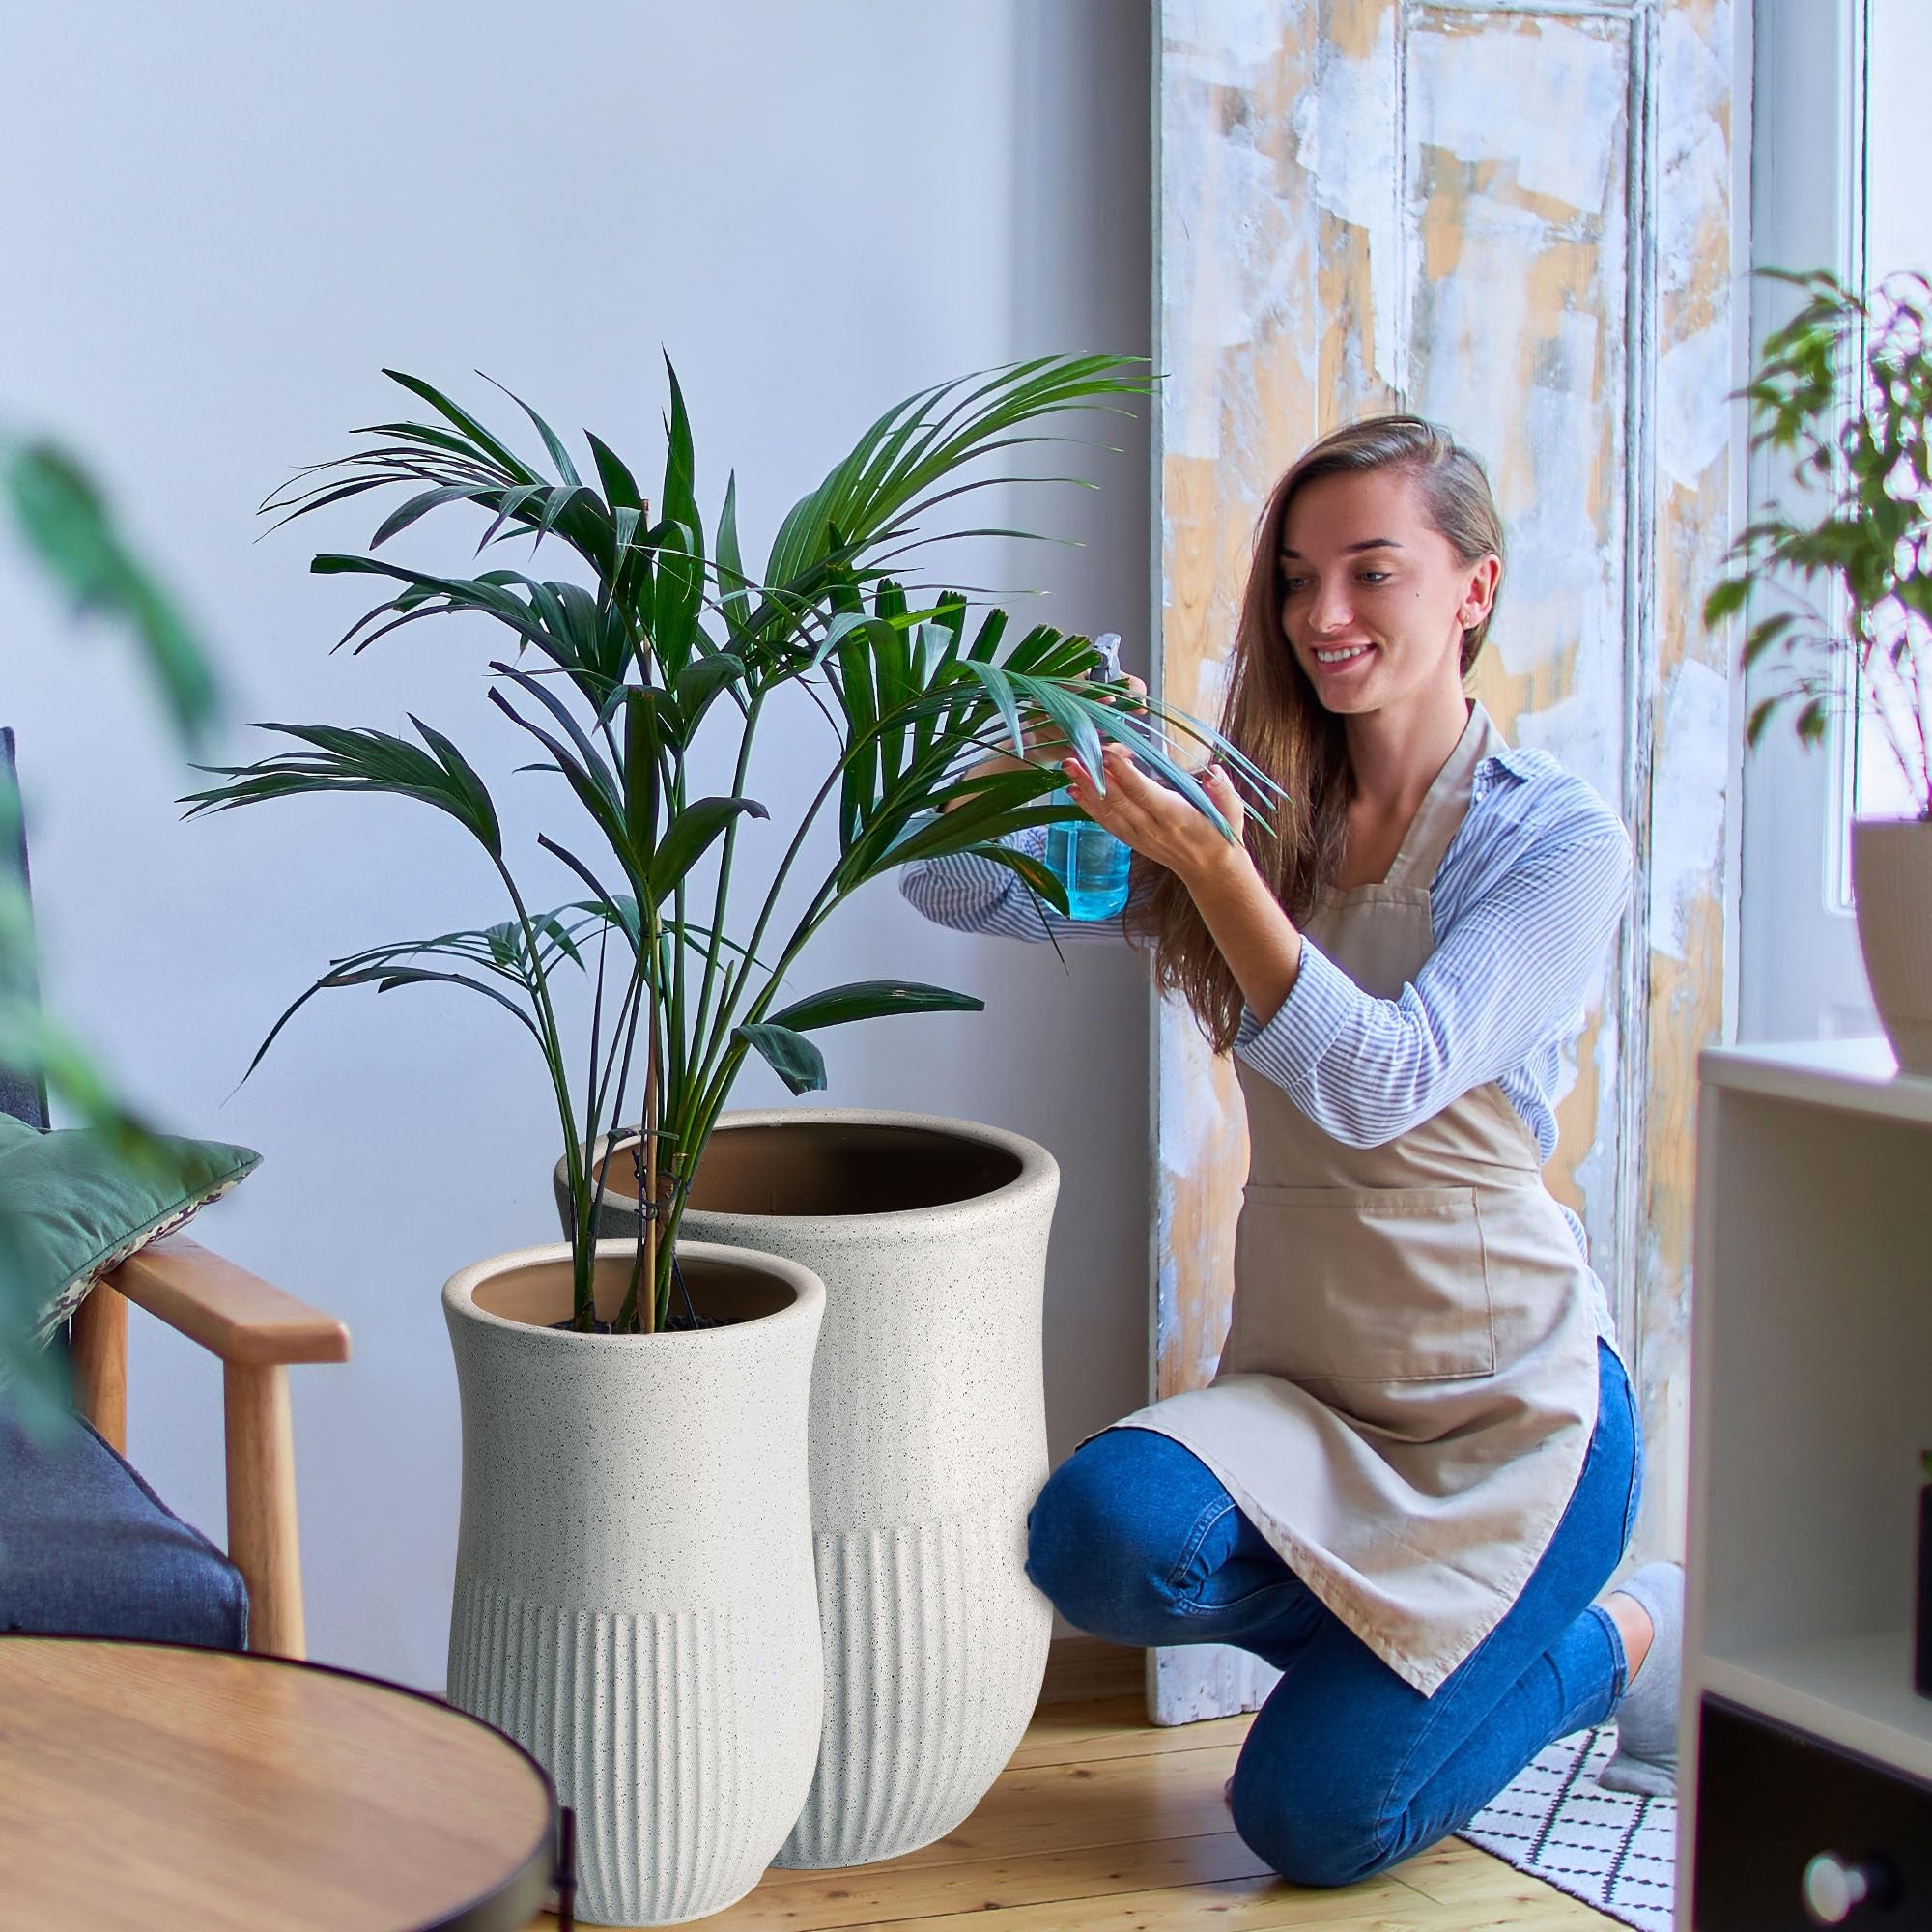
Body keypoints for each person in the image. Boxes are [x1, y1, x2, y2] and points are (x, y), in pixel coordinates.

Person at [900, 416, 1683, 1889]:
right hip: (1316, 1393)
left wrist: (1211, 867)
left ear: (1473, 589)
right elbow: (955, 894)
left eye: (1372, 573)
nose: (1322, 617)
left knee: (1312, 1826)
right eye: (1296, 581)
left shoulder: (1554, 841)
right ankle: (1406, 1649)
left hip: (1512, 1413)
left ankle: (1622, 1632)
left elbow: (1381, 1081)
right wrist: (1022, 745)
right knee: (1098, 1536)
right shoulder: (1262, 807)